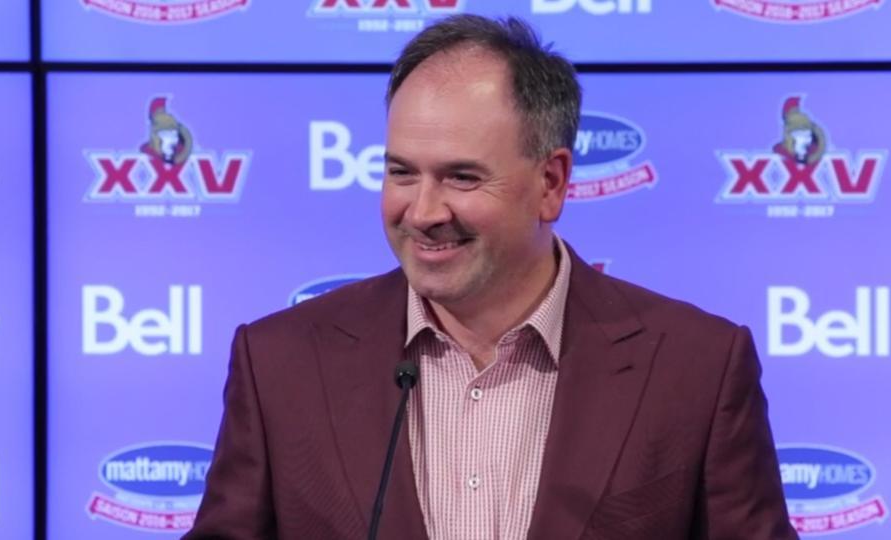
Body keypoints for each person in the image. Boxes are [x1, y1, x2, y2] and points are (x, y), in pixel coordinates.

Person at [185, 15, 797, 540]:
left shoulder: (696, 368)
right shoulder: (281, 364)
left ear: (551, 183)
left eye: (462, 177)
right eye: (401, 172)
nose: (423, 212)